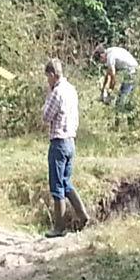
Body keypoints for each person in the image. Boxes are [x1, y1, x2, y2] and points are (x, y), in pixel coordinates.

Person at [42, 58, 89, 237]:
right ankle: (83, 215)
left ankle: (59, 227)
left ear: (53, 75)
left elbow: (46, 116)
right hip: (71, 141)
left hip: (59, 141)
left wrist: (48, 95)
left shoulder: (57, 92)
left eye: (48, 77)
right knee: (66, 182)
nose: (48, 81)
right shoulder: (71, 89)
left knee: (56, 186)